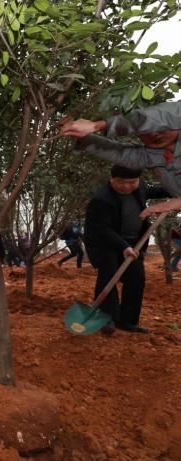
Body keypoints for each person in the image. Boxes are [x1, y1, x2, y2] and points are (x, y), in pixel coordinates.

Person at [84, 165, 169, 335]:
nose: (126, 186)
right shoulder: (101, 199)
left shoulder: (139, 188)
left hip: (133, 243)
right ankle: (107, 318)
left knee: (136, 278)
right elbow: (102, 229)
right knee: (108, 277)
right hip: (106, 244)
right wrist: (123, 246)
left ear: (138, 180)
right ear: (112, 179)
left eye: (132, 182)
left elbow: (154, 191)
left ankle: (128, 321)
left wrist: (174, 191)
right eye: (121, 182)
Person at [59, 100, 181, 217]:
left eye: (162, 128)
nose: (154, 134)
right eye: (145, 131)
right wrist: (80, 136)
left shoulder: (171, 115)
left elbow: (162, 115)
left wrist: (98, 125)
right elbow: (118, 153)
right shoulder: (151, 155)